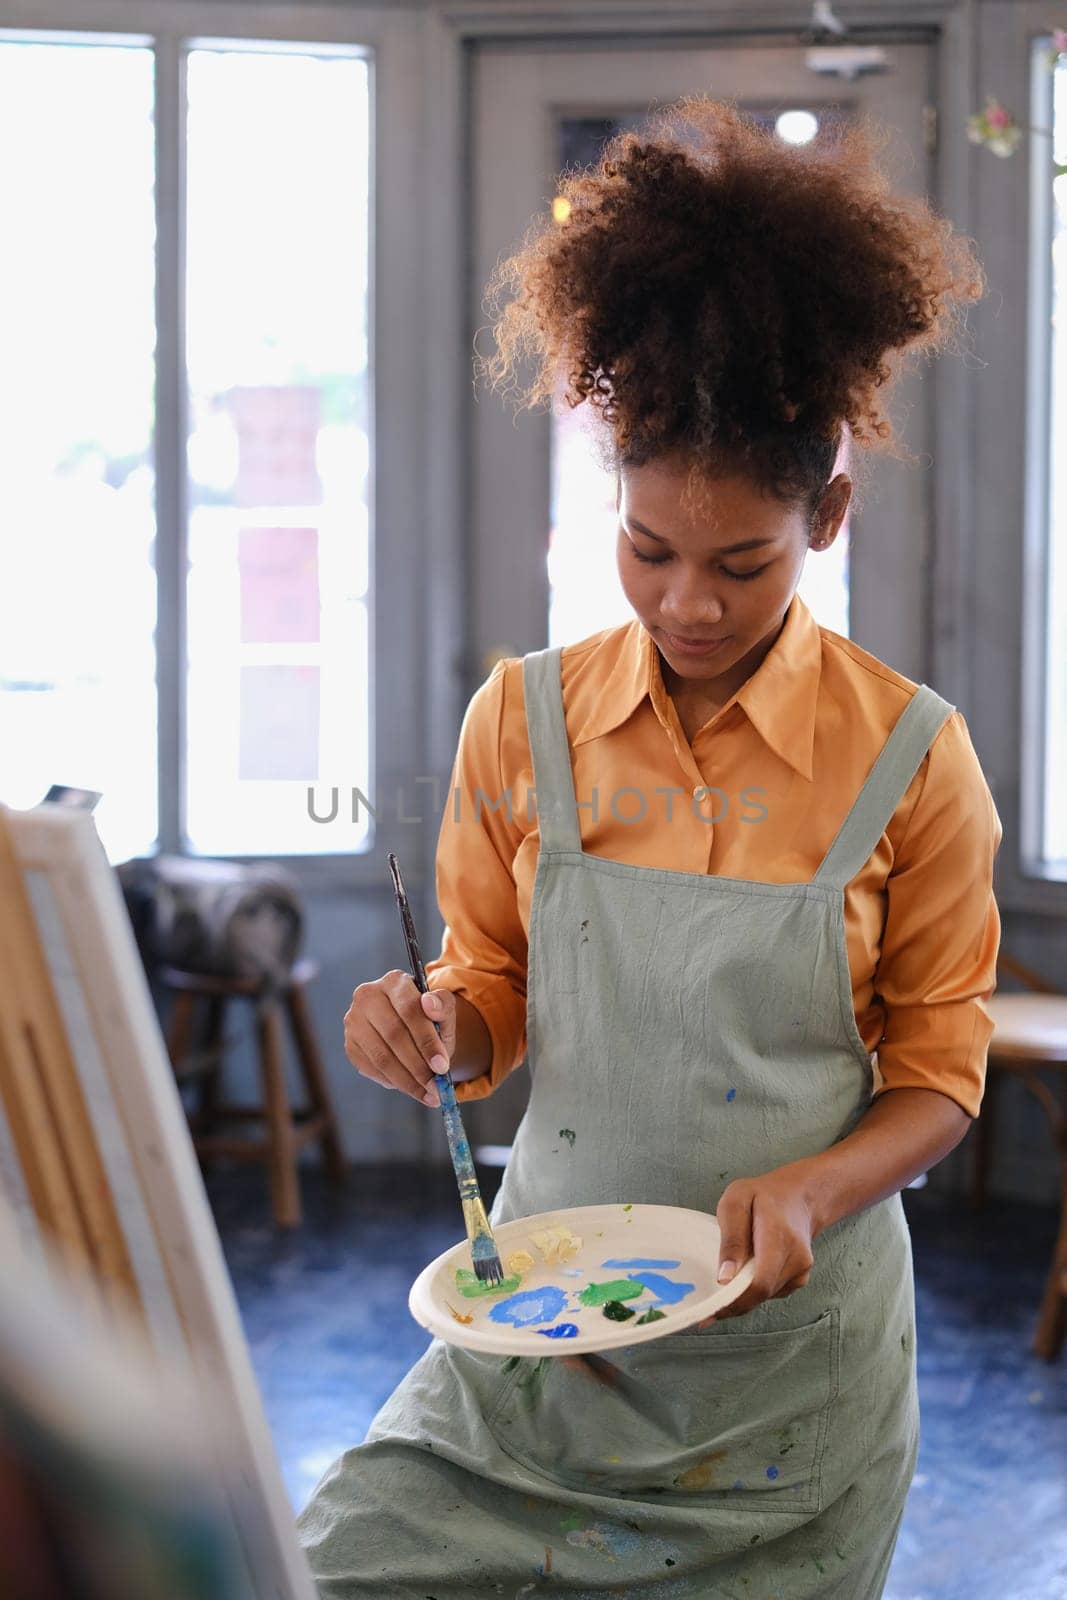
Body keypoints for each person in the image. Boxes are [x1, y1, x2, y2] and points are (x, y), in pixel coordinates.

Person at [297, 97, 1001, 1598]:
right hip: (538, 1339)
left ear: (829, 510)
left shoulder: (911, 759)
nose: (688, 604)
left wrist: (815, 1190)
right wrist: (434, 1027)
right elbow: (486, 994)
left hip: (783, 1389)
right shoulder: (522, 723)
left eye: (742, 563)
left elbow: (941, 1076)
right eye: (648, 549)